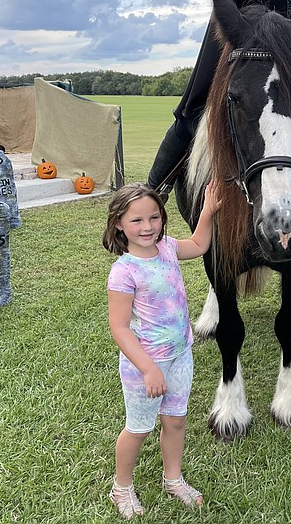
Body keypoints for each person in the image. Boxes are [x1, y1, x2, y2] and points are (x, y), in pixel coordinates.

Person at [103, 182, 220, 518]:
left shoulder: (167, 247)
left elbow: (199, 244)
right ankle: (121, 487)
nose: (148, 226)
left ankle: (173, 478)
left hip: (181, 354)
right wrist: (149, 369)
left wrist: (209, 210)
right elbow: (120, 328)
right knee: (139, 428)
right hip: (145, 365)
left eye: (154, 217)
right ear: (119, 225)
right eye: (137, 220)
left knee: (176, 421)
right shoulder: (124, 271)